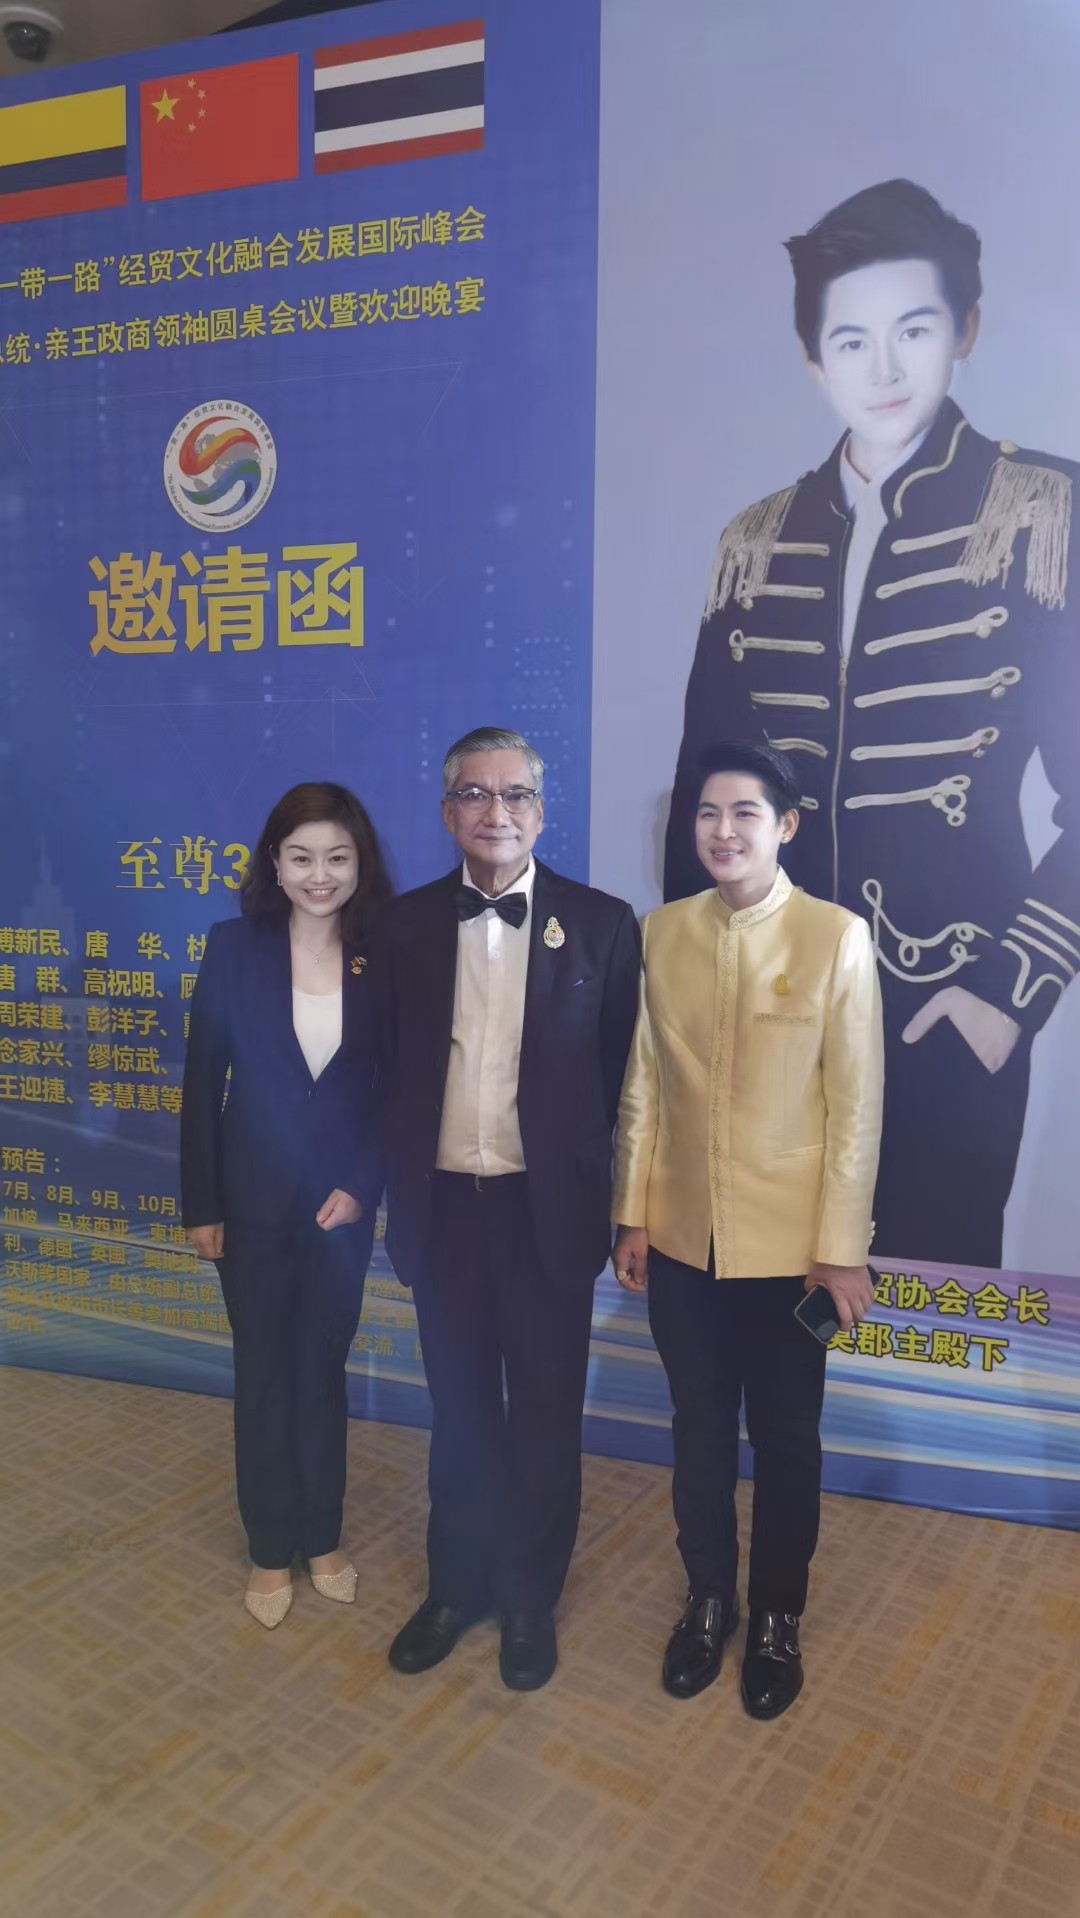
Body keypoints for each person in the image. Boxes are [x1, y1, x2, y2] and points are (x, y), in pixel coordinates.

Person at [665, 179, 1079, 1272]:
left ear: (966, 330)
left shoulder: (1043, 515)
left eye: (915, 330)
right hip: (768, 1008)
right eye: (851, 340)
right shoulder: (756, 542)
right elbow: (702, 791)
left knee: (921, 1305)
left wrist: (1009, 993)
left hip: (946, 1006)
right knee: (769, 1291)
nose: (884, 369)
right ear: (813, 359)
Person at [615, 741, 882, 1718]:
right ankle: (708, 1601)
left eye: (744, 813)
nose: (722, 831)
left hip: (791, 1256)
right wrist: (633, 1212)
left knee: (786, 1440)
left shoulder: (834, 936)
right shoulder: (662, 933)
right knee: (696, 1434)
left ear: (786, 825)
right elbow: (644, 1086)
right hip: (683, 1242)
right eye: (707, 813)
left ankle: (775, 1616)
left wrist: (839, 1250)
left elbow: (856, 1109)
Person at [371, 727, 640, 1691]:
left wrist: (626, 1212)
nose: (498, 812)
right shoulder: (400, 928)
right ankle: (454, 1588)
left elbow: (624, 1084)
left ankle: (529, 1599)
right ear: (448, 813)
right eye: (476, 795)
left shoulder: (604, 926)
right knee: (460, 1413)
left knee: (545, 1418)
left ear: (541, 809)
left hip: (547, 1216)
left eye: (516, 794)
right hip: (443, 1212)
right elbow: (380, 1075)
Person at [181, 782, 390, 1628]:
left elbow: (397, 1087)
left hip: (341, 1209)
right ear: (275, 861)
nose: (319, 875)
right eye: (301, 857)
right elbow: (202, 1084)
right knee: (264, 1375)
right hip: (250, 1204)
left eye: (337, 857)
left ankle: (323, 1537)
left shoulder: (384, 952)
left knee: (321, 1374)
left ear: (360, 864)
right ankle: (271, 1547)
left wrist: (363, 1184)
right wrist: (202, 1204)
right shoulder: (234, 947)